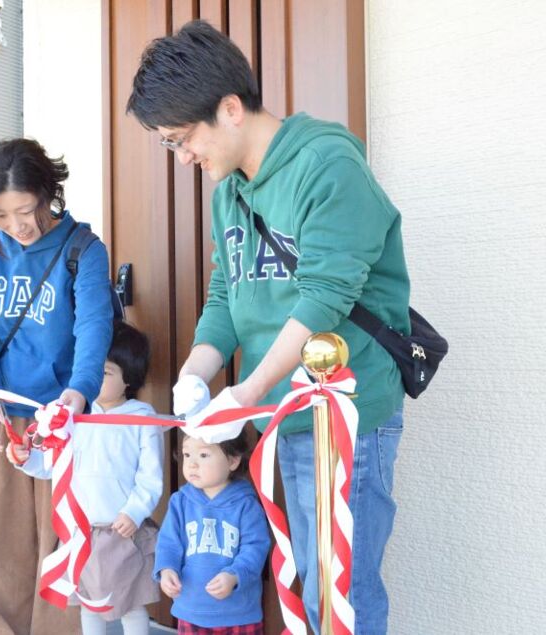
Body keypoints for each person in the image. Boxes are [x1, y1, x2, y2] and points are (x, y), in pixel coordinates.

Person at [126, 20, 410, 633]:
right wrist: (196, 373)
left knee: (343, 590)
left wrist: (247, 391)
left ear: (230, 109)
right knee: (314, 582)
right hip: (286, 415)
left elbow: (325, 298)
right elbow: (227, 293)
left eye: (181, 140)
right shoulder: (229, 191)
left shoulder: (326, 164)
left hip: (345, 414)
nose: (183, 158)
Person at [0, 137, 114, 634]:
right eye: (1, 216)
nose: (16, 226)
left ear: (48, 193)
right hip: (2, 419)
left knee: (59, 549)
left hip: (62, 421)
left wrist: (79, 392)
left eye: (24, 210)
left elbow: (94, 326)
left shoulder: (81, 250)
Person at [6, 320, 164, 634]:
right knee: (89, 606)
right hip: (80, 534)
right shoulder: (71, 418)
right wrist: (25, 459)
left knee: (131, 606)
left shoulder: (143, 417)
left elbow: (151, 477)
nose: (95, 380)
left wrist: (134, 512)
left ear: (128, 379)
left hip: (122, 531)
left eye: (105, 373)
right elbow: (50, 463)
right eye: (91, 371)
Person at [155, 428, 269, 634]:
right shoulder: (180, 502)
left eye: (204, 455)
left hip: (238, 613)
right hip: (191, 610)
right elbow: (168, 544)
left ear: (233, 461)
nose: (192, 463)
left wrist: (234, 575)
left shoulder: (246, 505)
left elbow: (255, 549)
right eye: (187, 454)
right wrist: (167, 570)